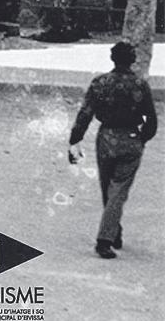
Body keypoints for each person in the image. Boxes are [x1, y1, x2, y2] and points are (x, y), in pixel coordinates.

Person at [68, 41, 157, 259]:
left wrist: (75, 140)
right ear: (133, 59)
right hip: (131, 137)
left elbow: (85, 114)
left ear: (112, 59)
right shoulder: (139, 85)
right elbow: (152, 120)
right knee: (118, 191)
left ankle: (112, 232)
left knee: (107, 188)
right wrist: (141, 139)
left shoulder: (100, 82)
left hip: (106, 137)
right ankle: (106, 238)